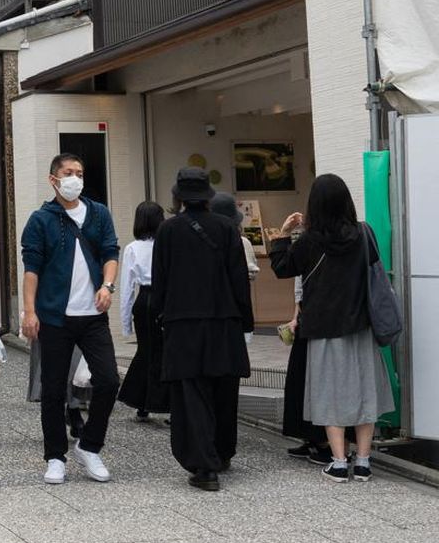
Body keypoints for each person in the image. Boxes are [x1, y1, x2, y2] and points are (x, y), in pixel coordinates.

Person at [269, 174, 394, 482]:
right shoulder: (364, 233)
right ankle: (363, 462)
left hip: (323, 330)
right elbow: (373, 272)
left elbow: (283, 268)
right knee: (364, 393)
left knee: (329, 394)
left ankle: (339, 463)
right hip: (360, 327)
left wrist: (283, 235)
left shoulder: (310, 240)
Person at [20, 153, 120, 485]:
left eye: (78, 172)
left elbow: (110, 252)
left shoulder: (99, 213)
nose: (74, 178)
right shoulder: (41, 219)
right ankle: (55, 456)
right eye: (67, 173)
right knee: (52, 388)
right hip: (54, 316)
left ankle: (90, 446)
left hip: (93, 316)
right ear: (54, 180)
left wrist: (107, 286)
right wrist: (29, 311)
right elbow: (31, 268)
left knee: (107, 380)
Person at [151, 168, 252, 491]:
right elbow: (239, 281)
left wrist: (159, 318)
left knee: (191, 394)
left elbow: (160, 281)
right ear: (208, 196)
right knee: (224, 390)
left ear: (178, 197)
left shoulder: (168, 231)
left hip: (183, 324)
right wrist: (245, 321)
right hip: (223, 321)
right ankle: (222, 452)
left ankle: (204, 466)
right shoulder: (226, 228)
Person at [116, 201, 168, 422]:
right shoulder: (167, 244)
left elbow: (126, 286)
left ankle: (141, 402)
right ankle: (162, 402)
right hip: (165, 298)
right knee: (166, 352)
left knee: (146, 350)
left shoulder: (132, 248)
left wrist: (125, 322)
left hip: (144, 300)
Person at [281, 274, 330, 465]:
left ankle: (326, 444)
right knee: (300, 381)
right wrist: (296, 317)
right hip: (306, 318)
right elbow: (299, 287)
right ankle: (311, 438)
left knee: (313, 381)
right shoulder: (304, 246)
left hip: (321, 320)